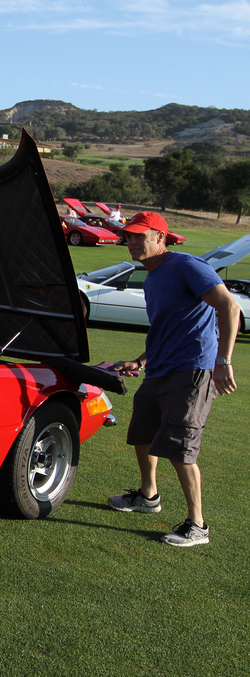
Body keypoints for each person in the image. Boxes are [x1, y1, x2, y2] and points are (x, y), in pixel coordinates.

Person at [105, 211, 239, 547]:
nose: (132, 242)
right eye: (129, 236)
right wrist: (139, 360)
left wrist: (223, 361)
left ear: (161, 238)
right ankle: (148, 496)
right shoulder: (151, 277)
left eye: (140, 236)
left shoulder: (186, 266)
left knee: (180, 448)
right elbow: (165, 329)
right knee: (142, 433)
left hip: (192, 369)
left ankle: (198, 525)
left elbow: (229, 307)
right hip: (160, 369)